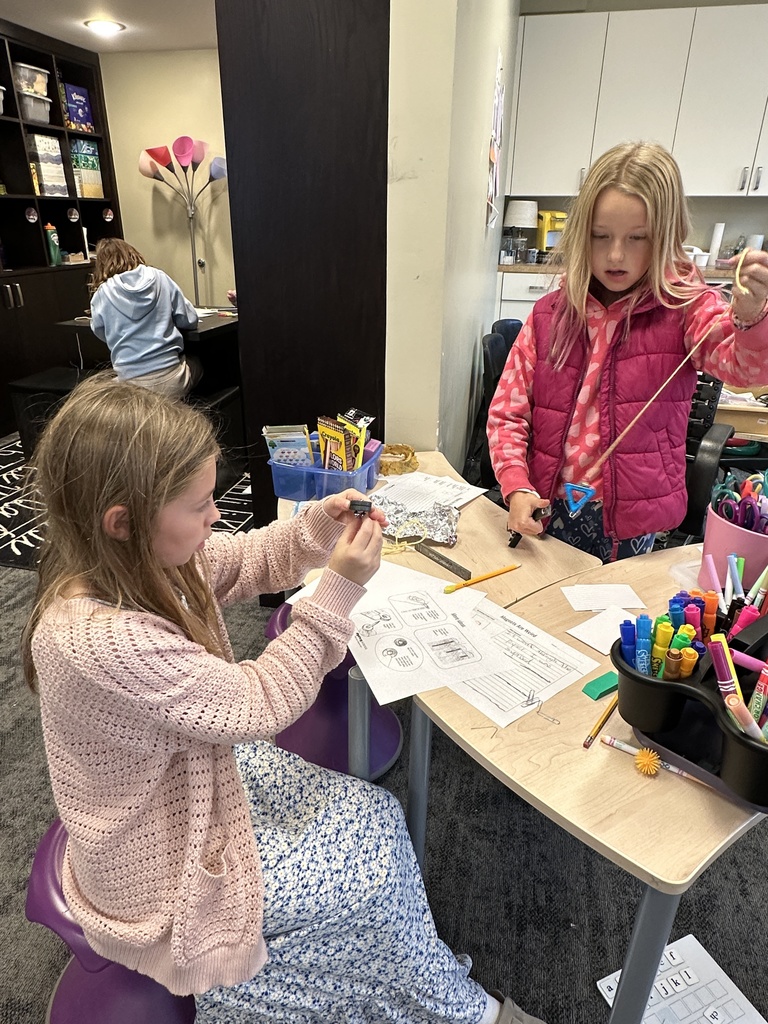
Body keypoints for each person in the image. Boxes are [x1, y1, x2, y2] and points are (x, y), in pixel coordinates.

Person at [23, 371, 546, 1024]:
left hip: (186, 784)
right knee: (374, 874)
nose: (216, 516)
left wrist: (313, 533)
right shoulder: (97, 637)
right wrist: (338, 593)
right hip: (160, 863)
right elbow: (258, 704)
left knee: (377, 817)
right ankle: (453, 1007)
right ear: (123, 521)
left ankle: (408, 976)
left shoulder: (140, 558)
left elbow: (238, 561)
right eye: (198, 505)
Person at [488, 141, 768, 563]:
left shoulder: (686, 306)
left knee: (610, 623)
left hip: (633, 520)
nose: (615, 254)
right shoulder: (551, 313)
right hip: (546, 505)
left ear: (667, 236)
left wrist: (751, 316)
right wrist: (516, 483)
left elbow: (743, 368)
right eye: (601, 236)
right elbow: (507, 412)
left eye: (637, 238)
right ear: (582, 233)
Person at [89, 237, 202, 398]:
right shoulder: (160, 277)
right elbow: (190, 320)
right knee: (198, 363)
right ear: (132, 253)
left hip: (131, 389)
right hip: (172, 381)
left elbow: (101, 333)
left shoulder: (101, 294)